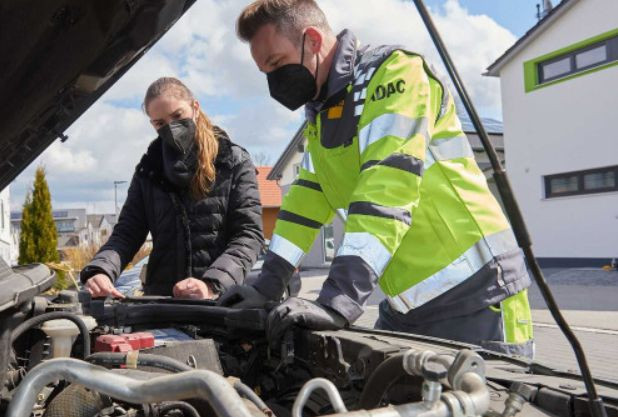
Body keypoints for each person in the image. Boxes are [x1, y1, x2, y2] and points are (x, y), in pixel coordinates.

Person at [220, 0, 534, 357]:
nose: (272, 80)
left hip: (478, 295)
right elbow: (306, 200)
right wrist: (268, 283)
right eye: (264, 70)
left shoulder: (396, 74)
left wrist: (338, 301)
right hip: (406, 307)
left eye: (275, 63)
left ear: (313, 40)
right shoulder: (322, 114)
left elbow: (387, 187)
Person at [81, 77, 264, 300]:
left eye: (178, 116)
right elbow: (127, 232)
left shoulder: (233, 160)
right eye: (160, 123)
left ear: (195, 108)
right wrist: (101, 270)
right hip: (162, 305)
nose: (171, 128)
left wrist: (211, 284)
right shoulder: (149, 169)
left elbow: (249, 235)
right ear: (152, 125)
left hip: (220, 304)